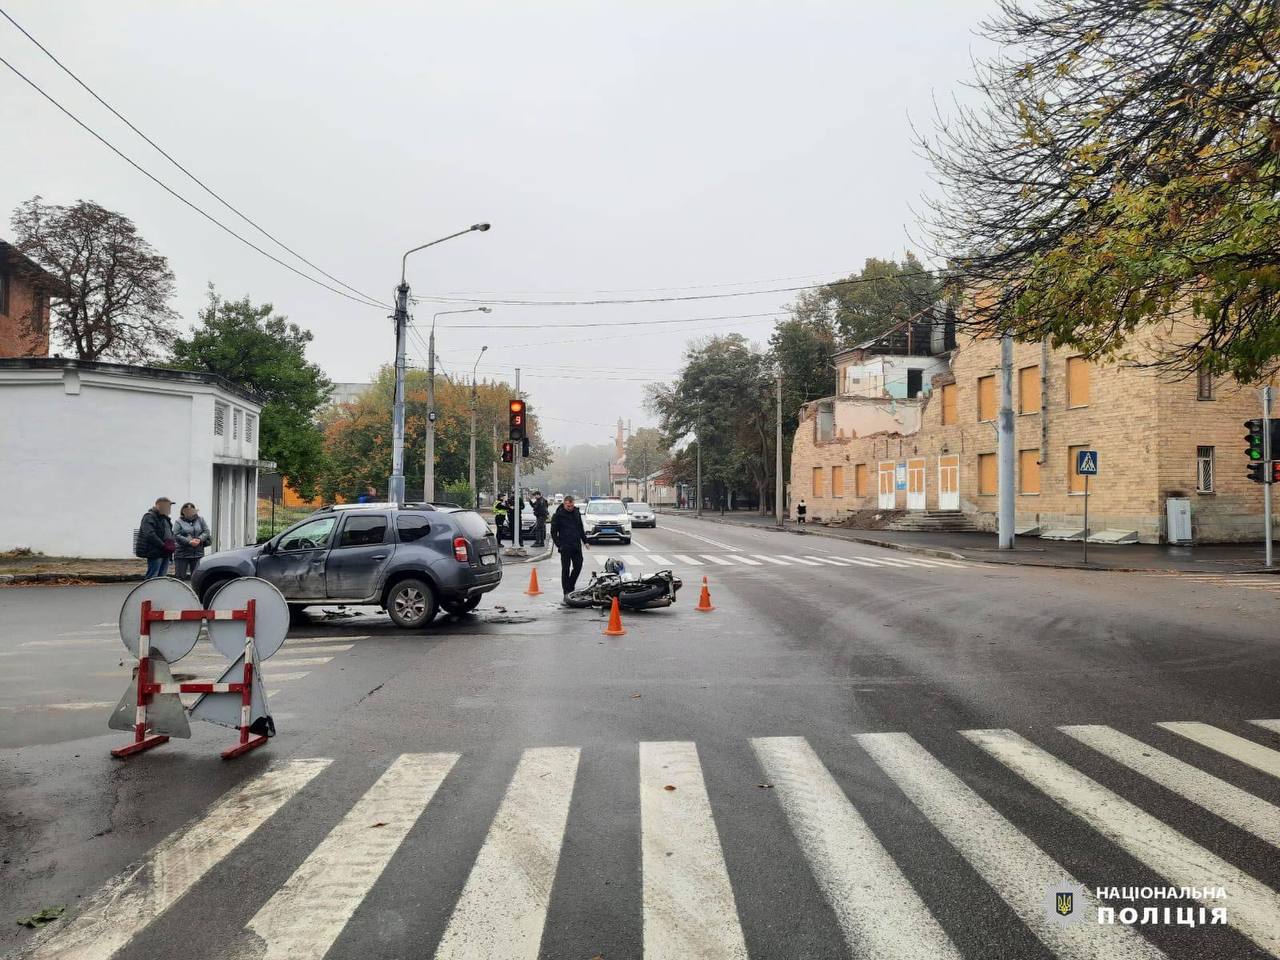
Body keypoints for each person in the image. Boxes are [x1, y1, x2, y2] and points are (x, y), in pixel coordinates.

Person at [550, 495, 589, 600]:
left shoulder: (576, 512)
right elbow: (553, 532)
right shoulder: (558, 515)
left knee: (578, 566)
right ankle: (566, 591)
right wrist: (559, 545)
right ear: (564, 504)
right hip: (565, 546)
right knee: (565, 569)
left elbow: (580, 527)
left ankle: (571, 585)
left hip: (576, 545)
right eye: (568, 506)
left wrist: (585, 541)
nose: (570, 507)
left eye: (571, 505)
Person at [135, 496, 176, 579]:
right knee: (152, 577)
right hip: (155, 552)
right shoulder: (149, 517)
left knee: (162, 577)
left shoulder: (165, 518)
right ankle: (148, 591)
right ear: (158, 505)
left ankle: (159, 591)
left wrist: (171, 545)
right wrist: (163, 545)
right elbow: (150, 534)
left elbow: (170, 533)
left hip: (166, 552)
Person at [172, 502, 211, 580]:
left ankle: (195, 592)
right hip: (182, 554)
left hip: (197, 553)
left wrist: (199, 539)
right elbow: (176, 535)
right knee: (180, 578)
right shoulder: (178, 522)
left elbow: (206, 531)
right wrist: (189, 541)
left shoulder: (201, 519)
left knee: (197, 577)